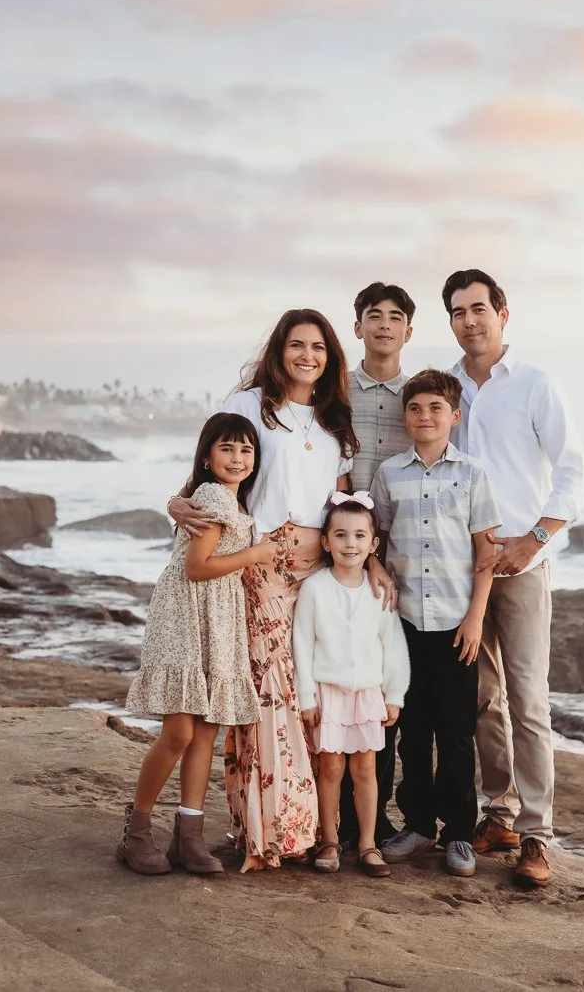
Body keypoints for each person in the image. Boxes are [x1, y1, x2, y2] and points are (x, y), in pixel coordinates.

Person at [167, 308, 397, 870]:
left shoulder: (335, 418)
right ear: (279, 350)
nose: (307, 356)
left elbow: (343, 501)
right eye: (297, 345)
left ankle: (309, 828)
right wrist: (176, 503)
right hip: (263, 567)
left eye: (318, 347)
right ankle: (267, 832)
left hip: (318, 571)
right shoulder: (252, 405)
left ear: (330, 356)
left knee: (310, 690)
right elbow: (213, 467)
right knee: (271, 693)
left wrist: (369, 560)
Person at [444, 269, 584, 888]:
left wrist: (537, 537)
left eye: (479, 308)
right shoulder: (443, 388)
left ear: (503, 313)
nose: (469, 321)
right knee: (481, 699)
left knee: (528, 699)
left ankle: (537, 835)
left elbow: (574, 471)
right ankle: (499, 814)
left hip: (524, 564)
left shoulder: (534, 384)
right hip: (461, 567)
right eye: (458, 312)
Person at [117, 412, 273, 875]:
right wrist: (255, 554)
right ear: (206, 456)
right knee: (180, 733)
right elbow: (196, 567)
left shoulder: (232, 500)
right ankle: (136, 832)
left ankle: (189, 837)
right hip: (186, 616)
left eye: (246, 450)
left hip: (218, 617)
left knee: (206, 731)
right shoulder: (212, 496)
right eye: (227, 448)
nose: (237, 458)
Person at [370, 369, 501, 878]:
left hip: (455, 625)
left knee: (456, 733)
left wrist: (475, 619)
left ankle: (459, 832)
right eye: (416, 408)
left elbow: (486, 554)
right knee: (412, 731)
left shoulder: (472, 473)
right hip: (403, 624)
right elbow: (378, 538)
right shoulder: (389, 473)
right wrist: (377, 568)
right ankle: (419, 824)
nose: (425, 417)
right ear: (405, 416)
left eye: (435, 408)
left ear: (454, 416)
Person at [293, 492, 410, 877]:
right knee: (329, 769)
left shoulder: (378, 591)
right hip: (327, 693)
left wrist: (394, 694)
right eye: (341, 535)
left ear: (373, 544)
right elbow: (301, 642)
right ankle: (329, 840)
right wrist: (306, 696)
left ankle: (367, 844)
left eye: (360, 536)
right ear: (326, 542)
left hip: (368, 694)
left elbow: (392, 645)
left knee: (366, 771)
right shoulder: (315, 588)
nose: (350, 544)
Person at [339, 281, 417, 851]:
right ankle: (338, 818)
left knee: (389, 683)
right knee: (344, 675)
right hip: (345, 549)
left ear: (409, 331)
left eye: (395, 317)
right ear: (358, 326)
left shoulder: (420, 395)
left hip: (406, 553)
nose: (384, 324)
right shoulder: (336, 390)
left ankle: (383, 816)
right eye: (374, 315)